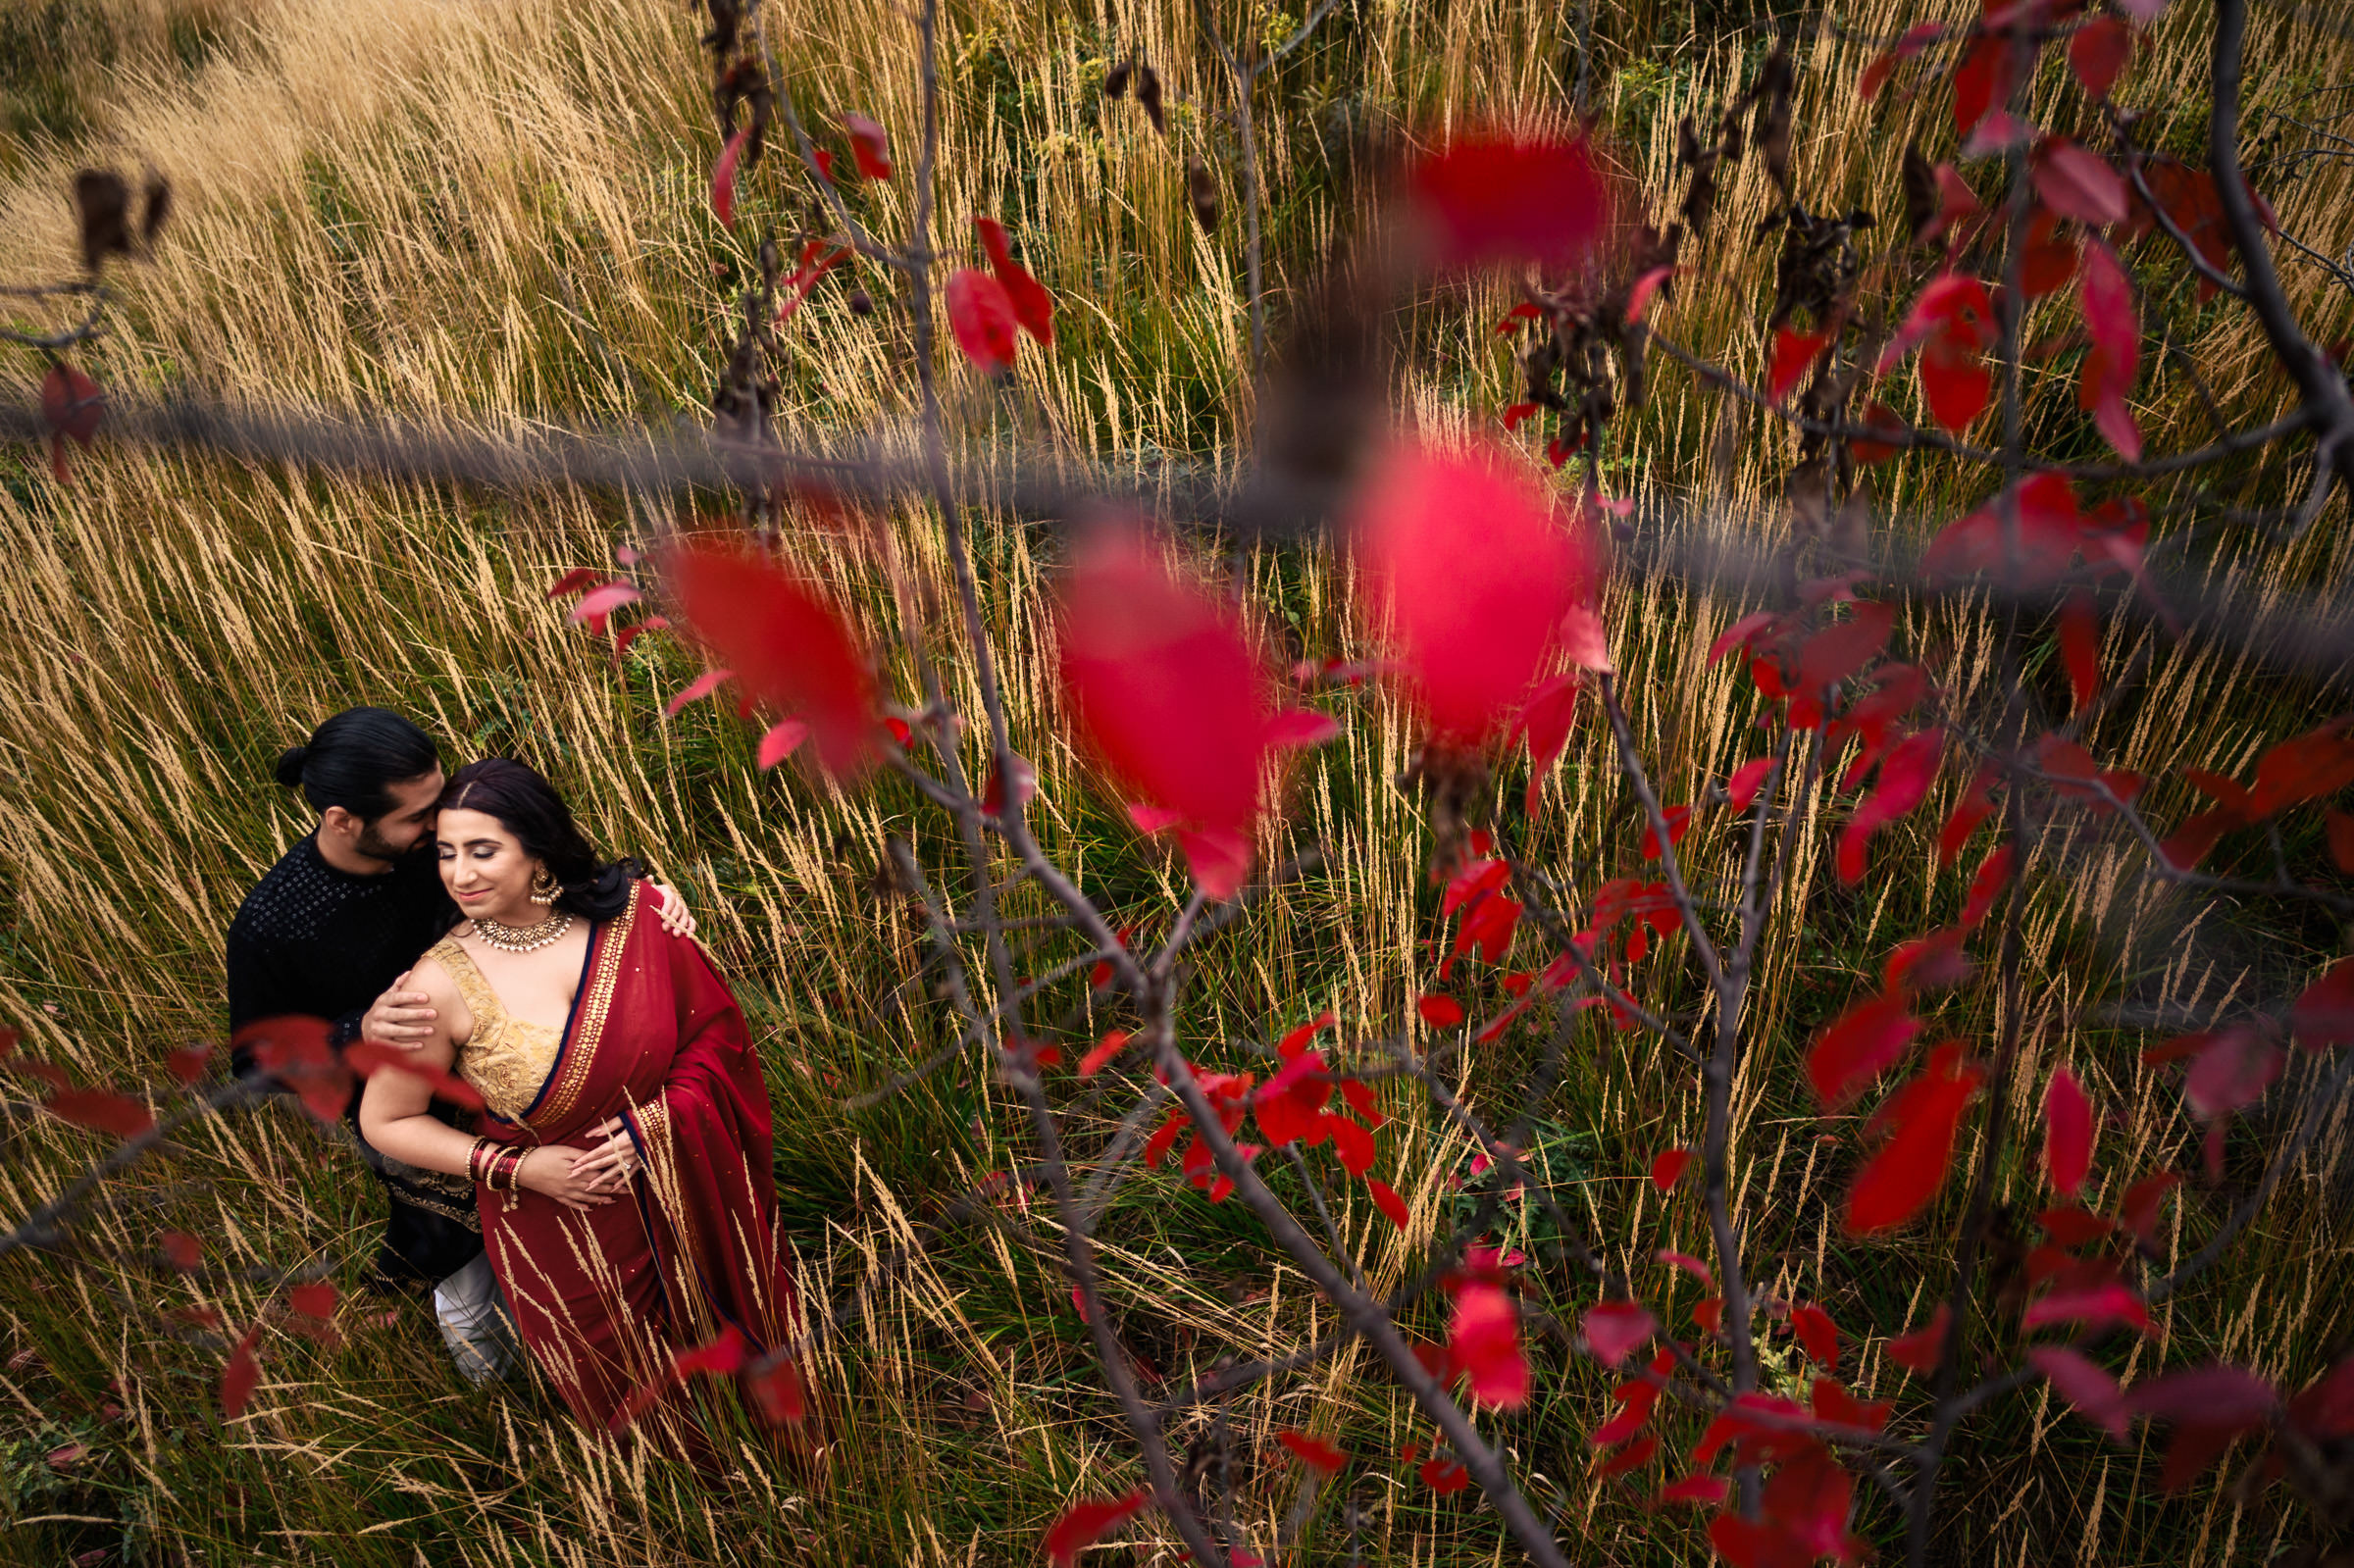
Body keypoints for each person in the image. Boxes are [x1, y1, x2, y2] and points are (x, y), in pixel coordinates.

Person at [227, 708, 695, 1381]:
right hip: (415, 1113)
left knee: (586, 1212)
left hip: (525, 1066)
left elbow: (541, 872)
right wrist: (356, 1030)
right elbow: (253, 1063)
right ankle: (507, 1400)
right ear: (342, 821)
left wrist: (639, 891)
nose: (440, 827)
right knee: (465, 1267)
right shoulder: (273, 924)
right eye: (419, 818)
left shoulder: (437, 844)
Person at [356, 758, 802, 1453]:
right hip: (561, 1222)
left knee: (738, 1348)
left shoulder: (640, 916)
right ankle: (691, 1514)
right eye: (446, 852)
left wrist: (653, 1125)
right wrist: (517, 1170)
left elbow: (717, 1038)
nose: (459, 873)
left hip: (686, 1184)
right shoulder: (436, 983)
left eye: (482, 850)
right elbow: (384, 1120)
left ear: (537, 849)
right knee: (630, 1392)